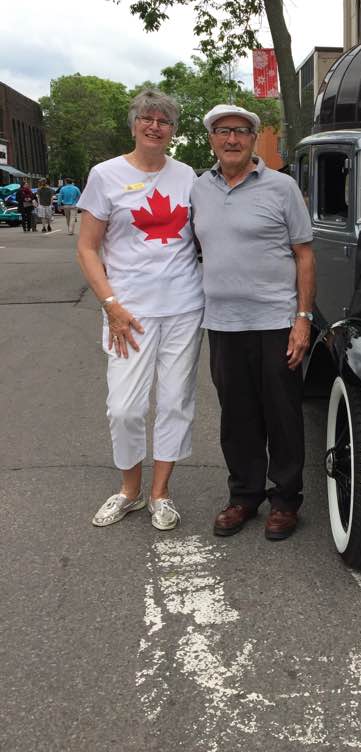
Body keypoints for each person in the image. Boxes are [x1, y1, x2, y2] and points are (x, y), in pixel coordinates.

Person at [76, 89, 204, 531]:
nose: (155, 126)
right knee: (125, 408)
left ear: (173, 131)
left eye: (164, 121)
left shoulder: (188, 176)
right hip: (128, 313)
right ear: (133, 125)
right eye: (147, 119)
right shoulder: (105, 175)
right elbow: (87, 248)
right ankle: (129, 489)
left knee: (174, 401)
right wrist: (110, 304)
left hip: (185, 307)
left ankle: (160, 493)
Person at [191, 104, 315, 542]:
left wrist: (303, 319)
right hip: (223, 323)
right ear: (211, 139)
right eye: (223, 132)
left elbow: (304, 254)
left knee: (281, 415)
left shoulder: (281, 187)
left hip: (276, 320)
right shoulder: (198, 189)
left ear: (252, 138)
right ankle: (244, 496)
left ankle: (285, 501)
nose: (232, 139)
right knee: (237, 417)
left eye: (241, 132)